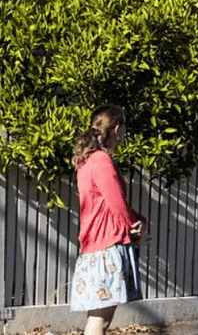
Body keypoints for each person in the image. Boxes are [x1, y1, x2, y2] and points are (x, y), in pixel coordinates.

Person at [70, 105, 148, 335]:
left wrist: (136, 221)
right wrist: (136, 224)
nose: (124, 132)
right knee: (100, 322)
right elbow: (118, 205)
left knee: (97, 319)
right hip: (106, 250)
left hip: (96, 250)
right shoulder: (101, 161)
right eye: (123, 127)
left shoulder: (87, 161)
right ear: (116, 128)